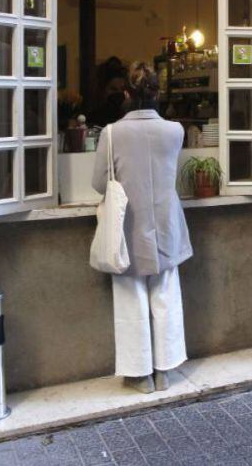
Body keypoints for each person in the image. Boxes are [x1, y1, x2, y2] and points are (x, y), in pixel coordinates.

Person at [91, 62, 192, 393]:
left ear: (126, 93)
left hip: (128, 226)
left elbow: (98, 184)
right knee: (166, 294)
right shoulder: (175, 130)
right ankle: (166, 370)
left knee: (130, 299)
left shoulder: (111, 133)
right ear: (157, 92)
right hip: (165, 223)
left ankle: (140, 375)